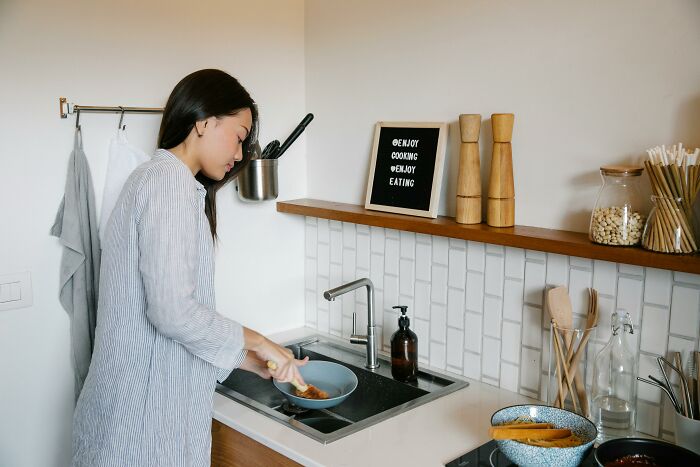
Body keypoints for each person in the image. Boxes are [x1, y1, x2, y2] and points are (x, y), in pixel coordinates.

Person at [71, 69, 307, 467]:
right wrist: (261, 342)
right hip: (141, 425)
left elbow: (177, 325)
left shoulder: (159, 179)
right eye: (240, 135)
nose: (241, 154)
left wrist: (253, 364)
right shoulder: (168, 185)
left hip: (136, 415)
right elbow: (172, 311)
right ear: (204, 121)